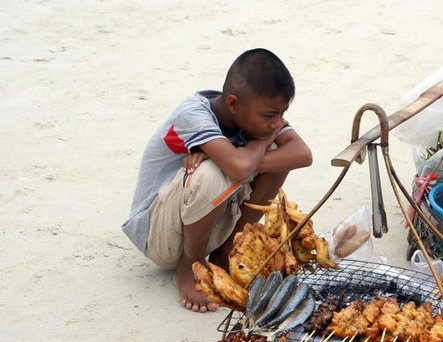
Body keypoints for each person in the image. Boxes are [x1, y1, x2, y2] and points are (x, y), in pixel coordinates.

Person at [122, 49, 312, 312]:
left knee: (273, 161)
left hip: (205, 224)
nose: (276, 124)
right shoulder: (193, 112)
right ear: (233, 104)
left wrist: (250, 156)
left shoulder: (256, 114)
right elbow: (238, 167)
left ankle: (224, 255)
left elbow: (302, 154)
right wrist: (260, 144)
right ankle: (191, 268)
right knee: (215, 171)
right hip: (158, 233)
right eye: (269, 116)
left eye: (282, 114)